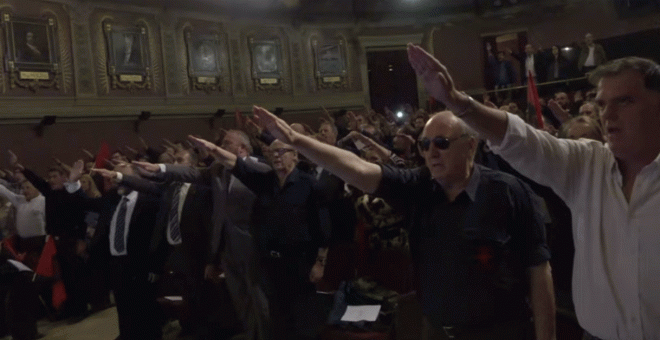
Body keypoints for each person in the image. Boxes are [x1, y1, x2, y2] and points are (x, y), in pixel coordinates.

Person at [407, 43, 660, 339]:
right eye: (603, 104)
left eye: (625, 101)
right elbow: (523, 141)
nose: (608, 115)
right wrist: (458, 103)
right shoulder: (589, 164)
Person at [249, 106, 555, 340]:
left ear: (471, 145)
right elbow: (359, 168)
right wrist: (296, 140)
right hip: (437, 330)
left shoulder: (508, 192)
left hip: (501, 332)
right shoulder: (419, 185)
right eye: (424, 145)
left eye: (441, 143)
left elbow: (539, 272)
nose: (431, 153)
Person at [185, 135, 330, 340]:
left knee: (300, 318)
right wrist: (213, 148)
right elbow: (236, 164)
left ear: (295, 155)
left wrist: (320, 262)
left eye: (282, 152)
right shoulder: (264, 181)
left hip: (299, 261)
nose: (276, 156)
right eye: (272, 152)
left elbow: (322, 228)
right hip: (269, 261)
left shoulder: (310, 185)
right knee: (276, 315)